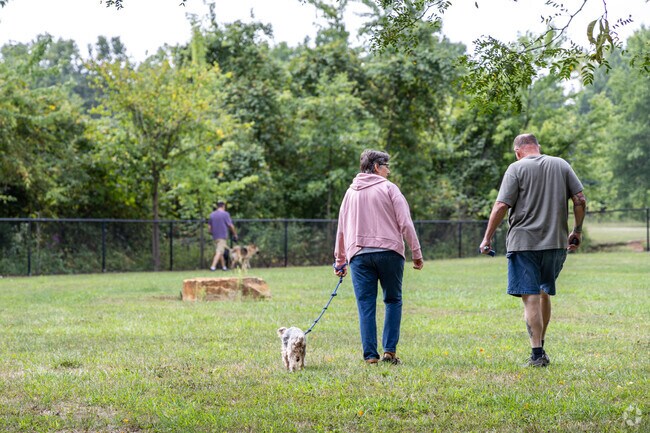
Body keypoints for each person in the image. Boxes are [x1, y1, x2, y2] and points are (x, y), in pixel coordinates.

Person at [479, 133, 586, 367]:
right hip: (556, 243)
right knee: (544, 292)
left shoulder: (516, 168)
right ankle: (542, 344)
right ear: (538, 147)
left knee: (531, 298)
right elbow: (579, 199)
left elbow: (501, 205)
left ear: (518, 151)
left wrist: (486, 238)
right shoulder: (561, 164)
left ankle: (537, 354)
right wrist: (577, 231)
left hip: (524, 243)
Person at [334, 149, 424, 366]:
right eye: (386, 166)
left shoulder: (350, 193)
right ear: (376, 167)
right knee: (393, 300)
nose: (388, 171)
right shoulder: (389, 188)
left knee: (365, 304)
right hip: (389, 253)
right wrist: (416, 253)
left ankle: (370, 356)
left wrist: (340, 260)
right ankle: (389, 352)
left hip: (359, 255)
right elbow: (405, 223)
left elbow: (342, 229)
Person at [208, 201, 238, 271]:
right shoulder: (225, 214)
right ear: (223, 206)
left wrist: (211, 232)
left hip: (215, 236)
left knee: (220, 251)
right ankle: (213, 267)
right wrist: (235, 234)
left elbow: (209, 227)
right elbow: (230, 225)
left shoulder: (212, 214)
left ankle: (224, 267)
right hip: (222, 236)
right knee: (219, 251)